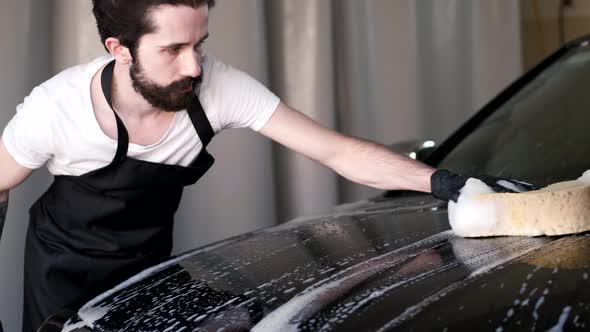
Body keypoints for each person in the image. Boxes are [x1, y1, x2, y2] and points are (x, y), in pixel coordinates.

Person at [0, 0, 533, 330]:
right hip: (60, 272)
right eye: (173, 49)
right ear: (119, 48)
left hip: (148, 267)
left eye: (200, 45)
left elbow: (335, 151)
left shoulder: (218, 87)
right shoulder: (56, 110)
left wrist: (449, 183)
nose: (193, 66)